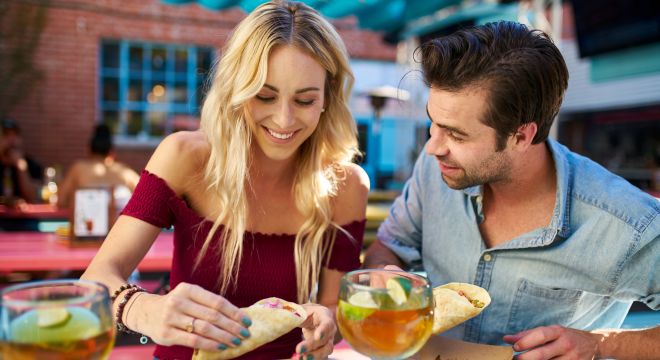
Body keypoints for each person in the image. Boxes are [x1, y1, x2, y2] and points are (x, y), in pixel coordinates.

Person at [81, 1, 369, 359]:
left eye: (305, 100)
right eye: (265, 96)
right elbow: (95, 281)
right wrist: (145, 310)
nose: (284, 119)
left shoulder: (347, 186)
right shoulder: (185, 157)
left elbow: (332, 305)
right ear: (237, 88)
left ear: (327, 97)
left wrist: (326, 321)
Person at [364, 21, 659, 359]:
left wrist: (601, 343)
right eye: (433, 124)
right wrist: (387, 275)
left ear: (521, 136)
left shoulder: (628, 224)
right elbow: (389, 246)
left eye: (457, 135)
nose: (432, 147)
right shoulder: (436, 170)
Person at [57, 123, 140, 209]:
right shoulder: (124, 172)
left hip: (86, 221)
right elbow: (145, 196)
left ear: (89, 149)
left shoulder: (78, 169)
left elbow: (61, 201)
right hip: (119, 221)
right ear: (111, 152)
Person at [0, 118, 43, 204]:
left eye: (15, 135)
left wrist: (21, 168)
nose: (11, 140)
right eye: (6, 135)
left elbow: (33, 197)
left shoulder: (32, 165)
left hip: (25, 216)